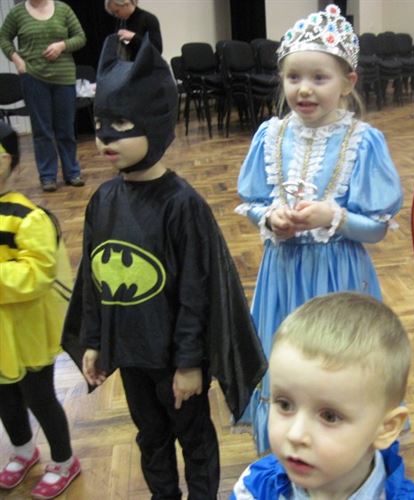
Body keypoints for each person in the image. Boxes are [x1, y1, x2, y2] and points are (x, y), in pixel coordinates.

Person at [60, 35, 266, 499]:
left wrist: (190, 364)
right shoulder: (103, 200)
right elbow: (93, 279)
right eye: (100, 124)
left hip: (175, 360)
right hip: (131, 356)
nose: (105, 137)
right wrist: (93, 341)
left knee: (194, 439)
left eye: (120, 123)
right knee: (150, 437)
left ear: (153, 123)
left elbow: (197, 291)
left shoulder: (181, 205)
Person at [235, 4, 403, 454]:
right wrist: (270, 218)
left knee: (338, 367)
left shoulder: (362, 141)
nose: (304, 89)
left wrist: (334, 217)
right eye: (293, 77)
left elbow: (377, 229)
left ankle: (341, 445)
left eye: (319, 78)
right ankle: (288, 451)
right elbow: (252, 203)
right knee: (287, 363)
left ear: (348, 83)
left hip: (338, 278)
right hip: (283, 275)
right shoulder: (271, 136)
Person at [231, 292, 414, 499]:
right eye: (285, 405)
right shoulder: (254, 489)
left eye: (330, 416)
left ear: (386, 428)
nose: (295, 435)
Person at [0, 122, 80, 499]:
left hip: (27, 331)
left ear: (8, 162)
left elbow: (37, 274)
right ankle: (22, 450)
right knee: (4, 397)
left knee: (39, 397)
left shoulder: (27, 216)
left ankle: (64, 460)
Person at [0, 0, 86, 192]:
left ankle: (72, 173)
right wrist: (17, 60)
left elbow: (80, 37)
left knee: (66, 129)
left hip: (63, 77)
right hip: (33, 77)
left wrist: (62, 45)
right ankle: (47, 176)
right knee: (42, 130)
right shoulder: (17, 13)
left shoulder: (63, 9)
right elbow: (3, 38)